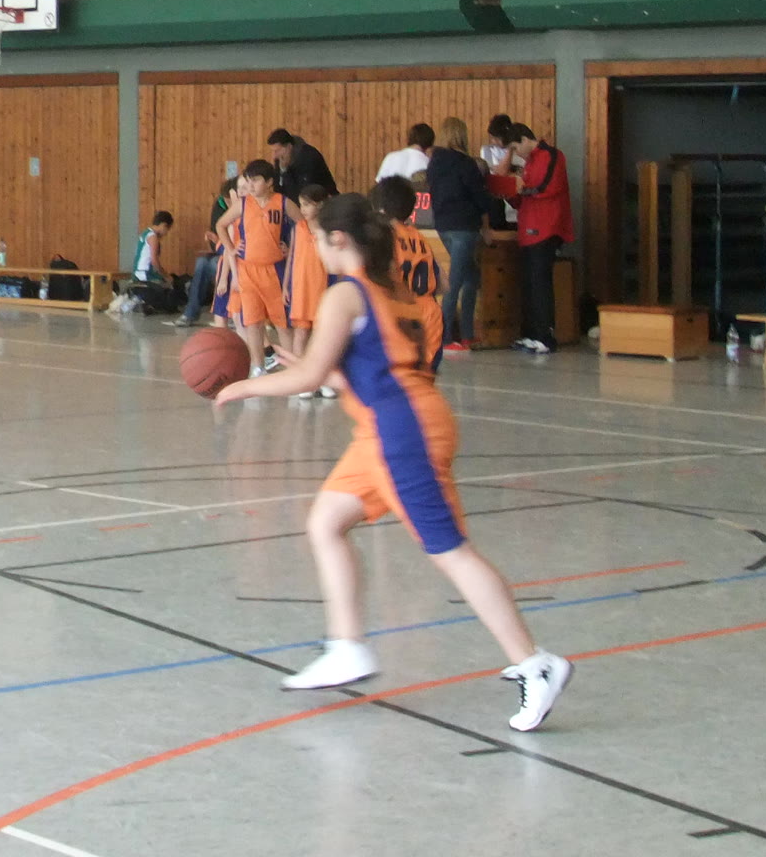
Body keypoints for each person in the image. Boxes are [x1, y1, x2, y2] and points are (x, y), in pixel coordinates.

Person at [215, 194, 573, 732]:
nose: (314, 248)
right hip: (395, 423)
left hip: (401, 432)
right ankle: (346, 648)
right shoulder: (395, 291)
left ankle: (534, 662)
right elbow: (362, 372)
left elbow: (311, 378)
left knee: (451, 552)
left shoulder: (346, 294)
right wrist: (315, 368)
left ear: (338, 240)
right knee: (326, 522)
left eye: (317, 239)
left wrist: (242, 385)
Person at [502, 124, 573, 354]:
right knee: (528, 284)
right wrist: (508, 192)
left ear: (525, 139)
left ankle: (544, 336)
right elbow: (522, 200)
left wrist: (521, 188)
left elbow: (548, 187)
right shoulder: (529, 163)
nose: (516, 154)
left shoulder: (552, 155)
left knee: (540, 283)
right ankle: (530, 334)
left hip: (546, 229)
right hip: (527, 230)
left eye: (515, 148)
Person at [425, 117, 490, 350]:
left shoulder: (434, 164)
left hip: (443, 225)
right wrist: (487, 224)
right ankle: (444, 338)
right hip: (465, 226)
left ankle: (467, 333)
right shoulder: (466, 164)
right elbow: (480, 197)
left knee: (471, 277)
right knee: (455, 281)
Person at [222, 160, 290, 377]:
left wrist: (291, 247)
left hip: (274, 270)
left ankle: (292, 368)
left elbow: (302, 225)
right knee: (253, 322)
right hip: (248, 271)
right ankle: (258, 366)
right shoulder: (243, 204)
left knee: (282, 323)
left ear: (269, 182)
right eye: (248, 181)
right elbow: (220, 225)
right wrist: (231, 249)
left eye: (255, 181)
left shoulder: (283, 202)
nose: (250, 186)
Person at [375, 175, 445, 373]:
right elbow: (443, 284)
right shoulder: (419, 237)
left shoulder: (384, 237)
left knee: (400, 381)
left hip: (403, 314)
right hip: (430, 316)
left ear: (381, 209)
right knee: (424, 381)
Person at [284, 183, 336, 398]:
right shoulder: (298, 228)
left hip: (322, 287)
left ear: (320, 205)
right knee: (301, 333)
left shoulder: (329, 230)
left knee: (321, 335)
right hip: (301, 287)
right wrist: (286, 285)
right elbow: (291, 257)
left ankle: (322, 379)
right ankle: (302, 380)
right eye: (301, 204)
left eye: (307, 204)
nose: (302, 209)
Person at [170, 179, 236, 329]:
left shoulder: (242, 216)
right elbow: (224, 245)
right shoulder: (225, 213)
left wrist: (219, 242)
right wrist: (216, 240)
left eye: (229, 201)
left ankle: (231, 312)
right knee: (202, 262)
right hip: (225, 256)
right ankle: (190, 313)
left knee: (214, 264)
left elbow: (233, 248)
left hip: (237, 261)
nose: (227, 205)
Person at [267, 128, 336, 205]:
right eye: (272, 151)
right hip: (300, 204)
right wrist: (283, 171)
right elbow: (278, 190)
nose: (274, 156)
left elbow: (302, 193)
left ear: (289, 147)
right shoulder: (280, 159)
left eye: (277, 151)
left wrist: (285, 171)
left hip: (323, 203)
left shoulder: (309, 157)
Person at [132, 210, 173, 294]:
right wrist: (166, 276)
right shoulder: (153, 237)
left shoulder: (145, 233)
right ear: (164, 225)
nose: (166, 233)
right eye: (167, 229)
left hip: (137, 273)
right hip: (145, 274)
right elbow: (154, 261)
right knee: (169, 286)